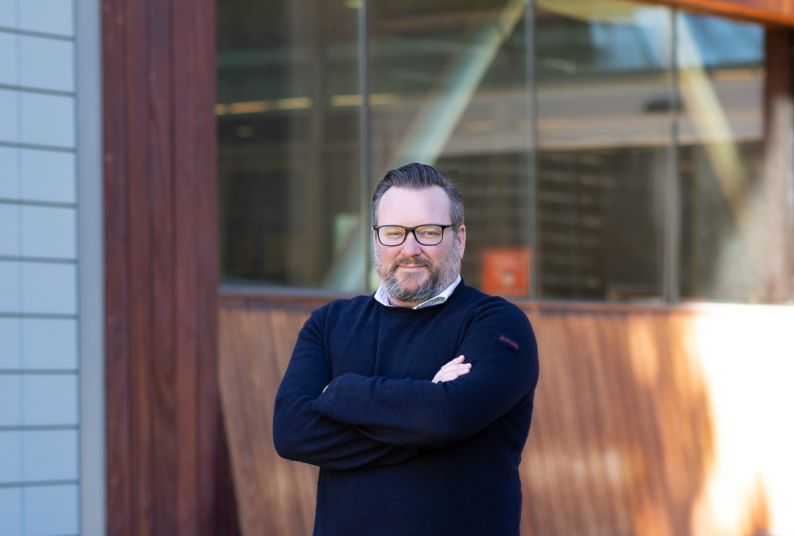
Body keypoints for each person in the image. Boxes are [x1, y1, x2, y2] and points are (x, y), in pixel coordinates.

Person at [273, 162, 539, 536]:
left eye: (429, 232)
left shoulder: (497, 325)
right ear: (375, 239)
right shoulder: (329, 324)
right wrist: (428, 405)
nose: (409, 248)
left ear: (459, 239)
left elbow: (448, 417)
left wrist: (342, 391)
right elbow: (291, 432)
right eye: (394, 233)